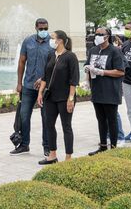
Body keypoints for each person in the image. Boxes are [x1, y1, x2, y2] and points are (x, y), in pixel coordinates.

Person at [12, 18, 53, 156]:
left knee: (46, 117)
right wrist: (19, 83)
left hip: (45, 87)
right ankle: (24, 144)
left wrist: (43, 79)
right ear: (36, 28)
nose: (43, 31)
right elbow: (21, 62)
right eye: (41, 29)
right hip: (28, 86)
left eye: (45, 28)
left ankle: (47, 146)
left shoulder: (52, 42)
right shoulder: (28, 41)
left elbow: (54, 65)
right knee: (24, 116)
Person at [37, 30, 79, 164]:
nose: (50, 39)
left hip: (64, 97)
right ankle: (52, 155)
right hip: (50, 97)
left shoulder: (70, 56)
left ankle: (68, 157)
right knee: (49, 124)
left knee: (66, 126)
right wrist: (40, 93)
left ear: (60, 40)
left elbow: (74, 80)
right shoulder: (51, 55)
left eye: (52, 37)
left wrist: (70, 99)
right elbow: (45, 76)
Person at [85, 27, 126, 155]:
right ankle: (103, 146)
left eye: (100, 34)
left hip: (110, 91)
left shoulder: (115, 51)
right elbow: (88, 66)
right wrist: (87, 78)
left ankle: (113, 148)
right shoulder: (93, 50)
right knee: (100, 119)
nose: (97, 36)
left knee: (111, 119)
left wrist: (102, 72)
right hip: (97, 90)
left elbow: (120, 71)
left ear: (107, 36)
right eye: (96, 34)